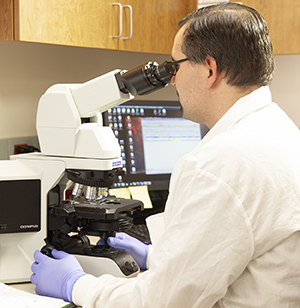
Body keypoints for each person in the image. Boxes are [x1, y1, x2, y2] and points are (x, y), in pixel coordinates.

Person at [31, 3, 300, 307]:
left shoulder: (222, 162)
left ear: (209, 69)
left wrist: (76, 285)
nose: (172, 79)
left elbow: (161, 302)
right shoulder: (279, 132)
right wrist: (158, 256)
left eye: (176, 66)